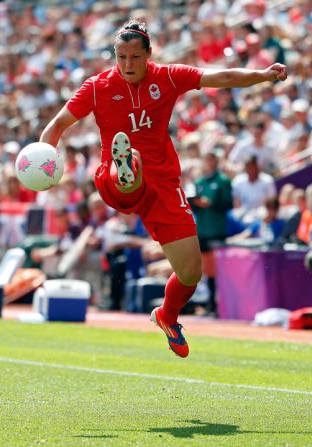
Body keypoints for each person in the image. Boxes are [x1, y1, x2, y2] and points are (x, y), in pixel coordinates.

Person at [39, 19, 287, 357]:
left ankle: (167, 316)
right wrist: (43, 163)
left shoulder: (168, 77)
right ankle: (127, 167)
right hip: (112, 177)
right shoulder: (96, 87)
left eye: (135, 57)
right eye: (120, 57)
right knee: (128, 166)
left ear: (148, 55)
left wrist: (262, 74)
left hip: (165, 184)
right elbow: (56, 127)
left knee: (190, 272)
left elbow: (222, 77)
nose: (127, 65)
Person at [190, 149, 233, 317]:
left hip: (217, 230)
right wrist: (195, 203)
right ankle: (210, 304)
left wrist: (211, 204)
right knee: (208, 269)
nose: (209, 163)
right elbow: (194, 206)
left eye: (211, 159)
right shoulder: (200, 181)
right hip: (203, 230)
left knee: (219, 269)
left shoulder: (223, 181)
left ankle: (221, 304)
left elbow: (228, 204)